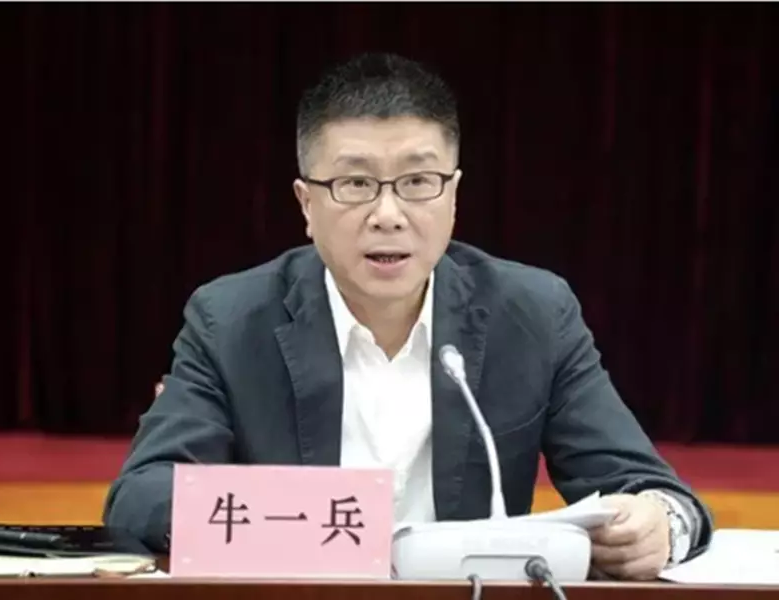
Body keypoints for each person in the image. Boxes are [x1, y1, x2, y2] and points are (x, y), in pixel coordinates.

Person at [103, 52, 712, 580]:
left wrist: (660, 524)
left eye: (418, 181)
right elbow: (141, 498)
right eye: (355, 184)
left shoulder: (532, 315)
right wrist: (305, 525)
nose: (388, 214)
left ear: (453, 196)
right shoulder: (231, 320)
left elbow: (655, 492)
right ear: (306, 204)